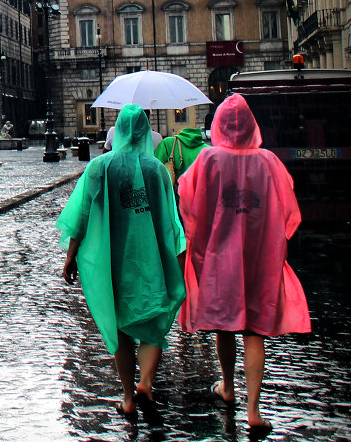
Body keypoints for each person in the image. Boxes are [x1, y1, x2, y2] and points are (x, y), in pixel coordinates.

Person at [176, 93, 310, 434]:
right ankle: (253, 410)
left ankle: (228, 385)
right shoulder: (268, 162)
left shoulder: (208, 160)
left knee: (224, 324)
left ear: (219, 125)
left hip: (220, 258)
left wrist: (199, 242)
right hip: (259, 256)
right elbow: (288, 210)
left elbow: (189, 205)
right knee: (253, 330)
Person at [57, 103, 186, 423]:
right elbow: (171, 221)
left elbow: (81, 216)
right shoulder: (157, 171)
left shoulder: (99, 167)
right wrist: (178, 258)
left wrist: (71, 256)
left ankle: (128, 397)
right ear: (144, 132)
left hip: (111, 261)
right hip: (151, 261)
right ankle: (145, 384)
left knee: (120, 330)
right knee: (153, 325)